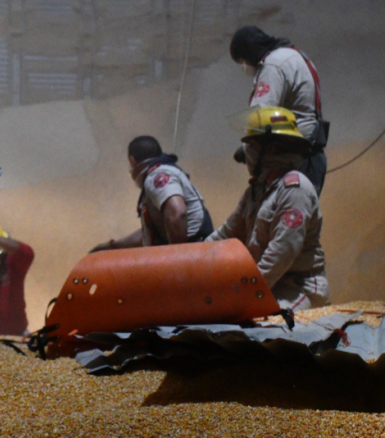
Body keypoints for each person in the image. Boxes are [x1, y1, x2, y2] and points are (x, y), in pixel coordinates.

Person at [206, 107, 328, 311]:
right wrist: (195, 258)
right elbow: (227, 234)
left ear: (270, 149)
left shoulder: (295, 189)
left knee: (260, 329)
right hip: (269, 285)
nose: (247, 153)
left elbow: (281, 253)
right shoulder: (257, 190)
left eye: (251, 145)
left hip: (297, 289)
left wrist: (248, 294)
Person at [230, 26, 328, 195]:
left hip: (293, 159)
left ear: (249, 52)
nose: (245, 67)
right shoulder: (295, 55)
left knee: (279, 218)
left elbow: (259, 118)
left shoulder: (272, 66)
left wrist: (245, 149)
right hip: (312, 156)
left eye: (242, 61)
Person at [91, 135, 213, 251]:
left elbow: (177, 214)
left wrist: (175, 259)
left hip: (194, 254)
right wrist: (113, 246)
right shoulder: (163, 173)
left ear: (132, 161)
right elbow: (147, 236)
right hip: (196, 251)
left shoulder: (157, 176)